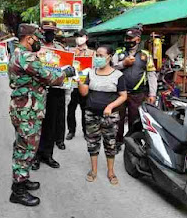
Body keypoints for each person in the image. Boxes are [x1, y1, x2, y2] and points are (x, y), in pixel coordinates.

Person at [8, 23, 76, 206]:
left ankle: (23, 178)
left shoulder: (18, 53)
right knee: (26, 149)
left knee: (23, 146)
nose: (39, 41)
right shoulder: (27, 57)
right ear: (28, 38)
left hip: (25, 108)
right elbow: (50, 78)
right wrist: (66, 72)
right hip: (27, 111)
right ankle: (18, 191)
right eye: (36, 38)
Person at [77, 45, 127, 185]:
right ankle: (93, 170)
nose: (97, 58)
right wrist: (78, 81)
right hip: (91, 113)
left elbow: (123, 96)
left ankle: (111, 172)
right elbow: (84, 93)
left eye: (100, 55)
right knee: (92, 143)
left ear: (109, 57)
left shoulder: (118, 75)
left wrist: (110, 106)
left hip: (110, 116)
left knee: (110, 143)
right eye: (96, 55)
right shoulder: (91, 73)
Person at [112, 25, 158, 144]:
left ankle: (132, 143)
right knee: (118, 120)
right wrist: (123, 64)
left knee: (135, 119)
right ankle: (118, 142)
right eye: (126, 38)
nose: (128, 41)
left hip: (137, 94)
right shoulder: (118, 52)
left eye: (130, 38)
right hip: (120, 93)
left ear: (138, 39)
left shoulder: (145, 55)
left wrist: (153, 93)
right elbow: (110, 68)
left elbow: (151, 75)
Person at [32, 20, 67, 170]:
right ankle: (35, 156)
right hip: (38, 89)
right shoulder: (34, 48)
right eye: (46, 30)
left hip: (56, 90)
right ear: (41, 31)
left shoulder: (60, 48)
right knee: (37, 124)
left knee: (52, 124)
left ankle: (48, 154)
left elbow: (66, 66)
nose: (49, 34)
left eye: (52, 31)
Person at [66, 29, 95, 141]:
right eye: (77, 36)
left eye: (81, 36)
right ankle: (71, 131)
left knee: (85, 110)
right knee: (71, 109)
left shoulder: (92, 53)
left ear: (86, 38)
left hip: (85, 85)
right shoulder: (70, 52)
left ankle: (85, 131)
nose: (79, 38)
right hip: (72, 86)